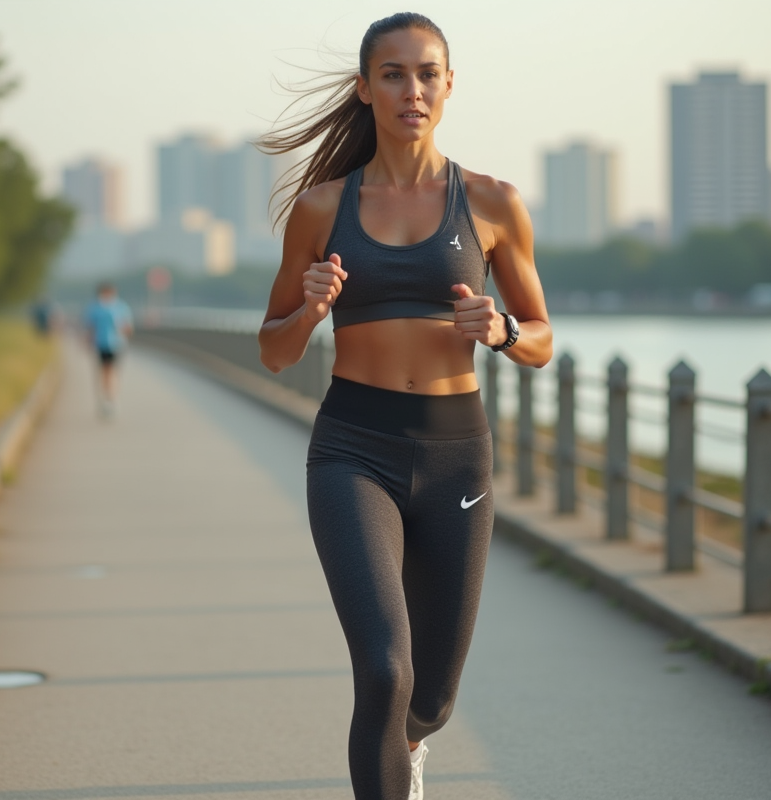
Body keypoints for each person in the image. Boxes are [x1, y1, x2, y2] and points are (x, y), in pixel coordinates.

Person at [257, 12, 552, 800]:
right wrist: (311, 311)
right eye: (392, 73)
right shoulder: (322, 209)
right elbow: (273, 348)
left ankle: (408, 749)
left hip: (459, 454)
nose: (411, 89)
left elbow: (544, 339)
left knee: (432, 697)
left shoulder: (492, 202)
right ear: (365, 88)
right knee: (385, 668)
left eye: (427, 73)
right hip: (354, 449)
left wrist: (502, 327)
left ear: (449, 86)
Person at [82, 282, 133, 416]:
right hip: (100, 344)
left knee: (111, 371)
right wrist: (87, 343)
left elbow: (128, 329)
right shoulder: (95, 308)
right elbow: (90, 328)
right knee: (103, 372)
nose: (107, 296)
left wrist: (121, 327)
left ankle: (111, 399)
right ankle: (105, 399)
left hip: (116, 344)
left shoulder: (121, 307)